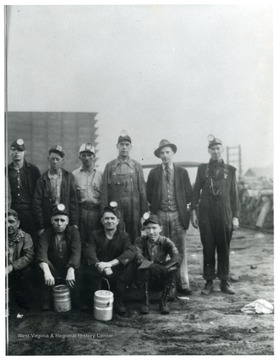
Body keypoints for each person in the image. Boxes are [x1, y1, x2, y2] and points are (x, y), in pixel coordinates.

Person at [191, 135, 240, 295]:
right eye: (212, 149)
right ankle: (209, 281)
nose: (215, 151)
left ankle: (224, 282)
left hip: (225, 214)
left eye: (218, 148)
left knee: (224, 248)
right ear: (208, 151)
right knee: (208, 247)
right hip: (206, 215)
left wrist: (235, 216)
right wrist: (193, 212)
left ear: (222, 150)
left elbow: (234, 195)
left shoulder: (230, 171)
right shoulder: (202, 169)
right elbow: (195, 192)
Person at [146, 139, 193, 296]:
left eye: (167, 152)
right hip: (160, 215)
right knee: (160, 250)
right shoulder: (153, 173)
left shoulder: (182, 172)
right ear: (159, 155)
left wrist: (179, 207)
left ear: (172, 153)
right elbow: (148, 194)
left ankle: (183, 282)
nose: (165, 155)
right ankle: (165, 283)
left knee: (180, 249)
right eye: (162, 153)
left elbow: (189, 194)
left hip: (178, 215)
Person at [83, 202, 136, 315]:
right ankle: (92, 300)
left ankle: (118, 301)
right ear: (102, 221)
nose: (109, 221)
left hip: (115, 269)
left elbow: (130, 252)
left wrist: (110, 264)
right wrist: (100, 265)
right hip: (99, 269)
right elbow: (89, 251)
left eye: (112, 218)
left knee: (130, 265)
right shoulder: (95, 235)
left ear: (118, 221)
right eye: (106, 218)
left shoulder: (124, 236)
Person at [100, 131, 148, 243]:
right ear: (117, 146)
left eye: (127, 145)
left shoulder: (136, 166)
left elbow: (142, 191)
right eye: (122, 145)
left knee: (135, 236)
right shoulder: (110, 166)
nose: (124, 147)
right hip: (116, 209)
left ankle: (135, 258)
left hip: (134, 208)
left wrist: (144, 214)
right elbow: (104, 191)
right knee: (116, 235)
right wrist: (104, 212)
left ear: (131, 147)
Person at [36, 204, 82, 310]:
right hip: (53, 270)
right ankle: (46, 301)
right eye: (56, 220)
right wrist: (47, 272)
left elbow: (76, 252)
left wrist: (71, 270)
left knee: (79, 269)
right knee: (42, 268)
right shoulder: (46, 234)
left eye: (62, 220)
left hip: (68, 267)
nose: (59, 223)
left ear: (67, 221)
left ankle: (77, 300)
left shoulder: (74, 232)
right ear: (51, 221)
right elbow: (41, 253)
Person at [135, 215, 180, 315]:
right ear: (145, 229)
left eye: (154, 228)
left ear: (160, 228)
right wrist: (151, 265)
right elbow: (137, 257)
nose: (151, 232)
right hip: (145, 279)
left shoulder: (166, 241)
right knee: (142, 268)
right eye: (148, 228)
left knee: (171, 269)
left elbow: (177, 258)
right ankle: (145, 302)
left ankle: (163, 301)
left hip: (160, 277)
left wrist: (165, 268)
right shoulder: (140, 241)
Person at [33, 145, 79, 236]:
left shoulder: (69, 178)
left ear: (62, 160)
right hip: (48, 219)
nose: (54, 162)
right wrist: (40, 226)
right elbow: (37, 204)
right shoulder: (42, 180)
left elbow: (73, 202)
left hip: (64, 219)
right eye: (52, 159)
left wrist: (74, 223)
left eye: (57, 159)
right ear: (48, 159)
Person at [7, 139, 41, 245]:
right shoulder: (5, 171)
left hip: (29, 211)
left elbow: (38, 194)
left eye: (20, 150)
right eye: (14, 150)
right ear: (10, 152)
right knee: (13, 241)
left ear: (24, 152)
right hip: (13, 211)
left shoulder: (33, 170)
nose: (16, 152)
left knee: (31, 241)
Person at [72, 142, 102, 246]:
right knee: (82, 241)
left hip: (97, 211)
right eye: (83, 155)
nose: (87, 158)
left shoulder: (101, 174)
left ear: (94, 156)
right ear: (79, 157)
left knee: (97, 240)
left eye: (89, 155)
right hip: (82, 212)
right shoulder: (74, 175)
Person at [6, 209, 34, 312]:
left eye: (11, 222)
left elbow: (28, 256)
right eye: (4, 223)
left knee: (28, 272)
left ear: (18, 223)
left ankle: (24, 305)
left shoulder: (25, 237)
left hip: (18, 271)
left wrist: (12, 266)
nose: (8, 226)